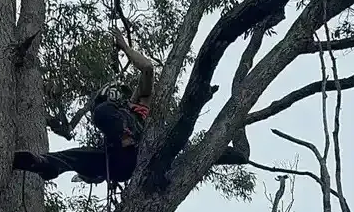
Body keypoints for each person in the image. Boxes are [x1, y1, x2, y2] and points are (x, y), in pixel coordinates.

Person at [13, 30, 250, 185]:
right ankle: (45, 164)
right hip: (118, 163)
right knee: (77, 154)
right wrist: (87, 174)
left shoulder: (136, 105)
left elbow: (147, 69)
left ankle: (121, 141)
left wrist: (125, 47)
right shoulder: (108, 117)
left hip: (136, 152)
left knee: (103, 114)